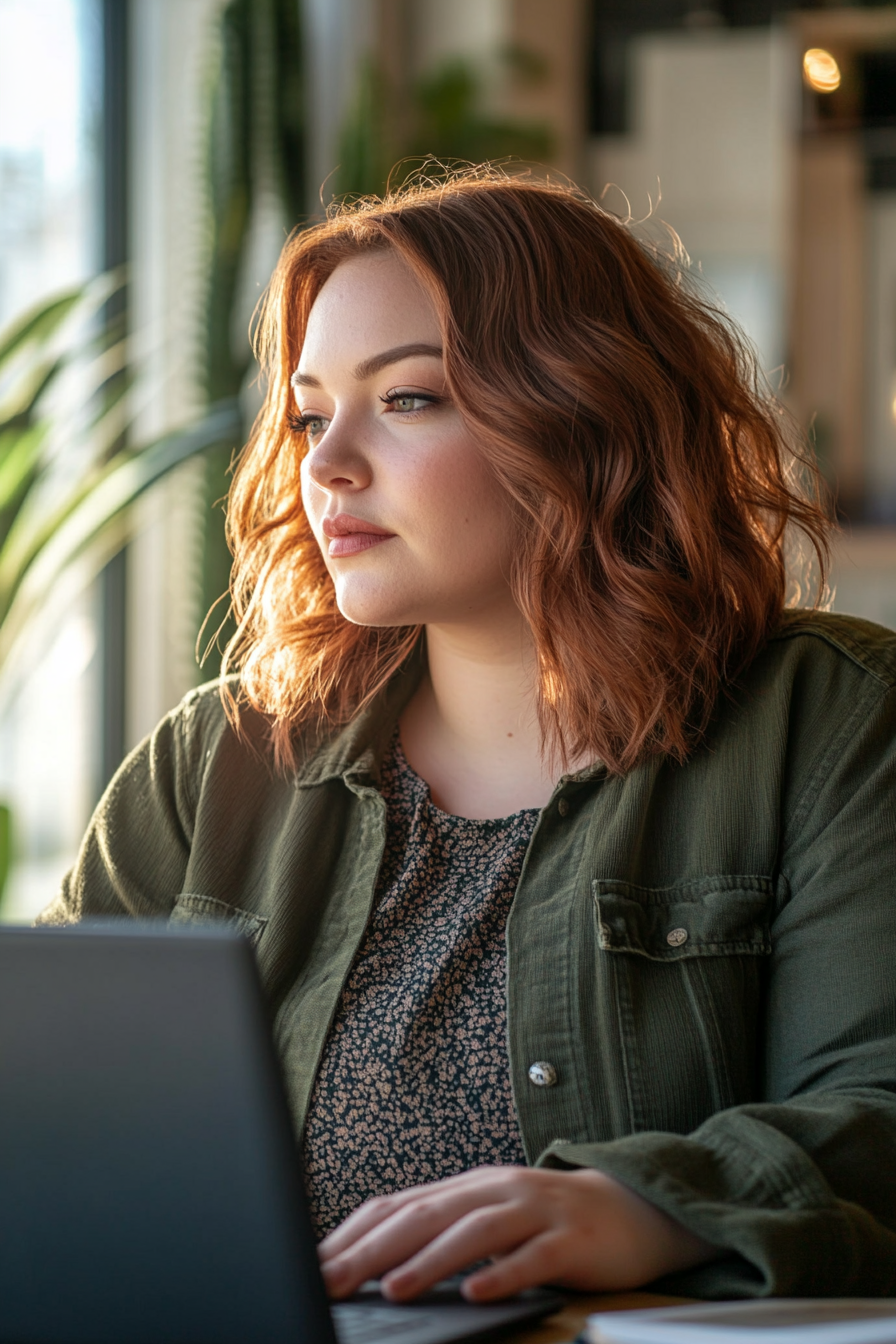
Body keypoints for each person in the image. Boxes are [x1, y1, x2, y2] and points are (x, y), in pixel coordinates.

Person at [39, 168, 896, 1303]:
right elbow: (43, 1111)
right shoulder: (221, 758)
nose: (324, 464)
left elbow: (875, 1108)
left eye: (406, 399)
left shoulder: (825, 719)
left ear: (582, 411)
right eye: (307, 413)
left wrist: (645, 1205)